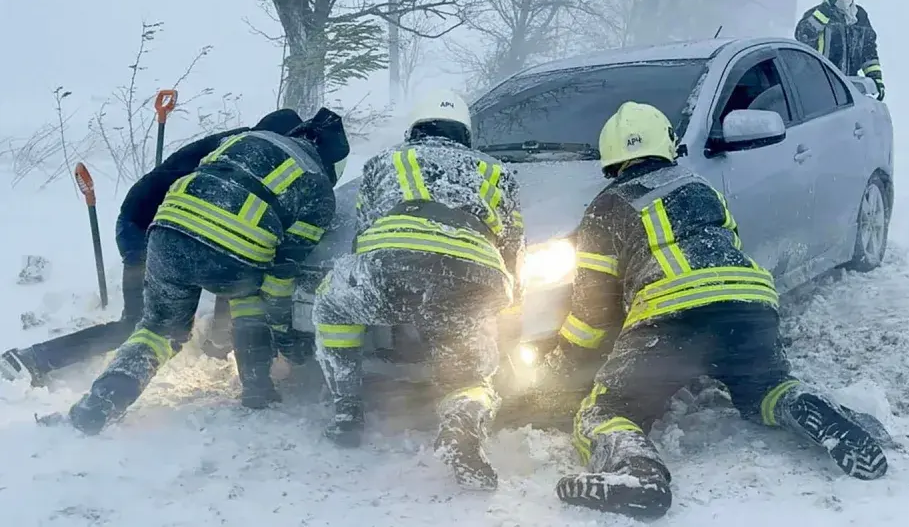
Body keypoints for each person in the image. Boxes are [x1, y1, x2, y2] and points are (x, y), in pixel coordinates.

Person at [540, 102, 889, 520]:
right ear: (665, 144)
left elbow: (592, 313)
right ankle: (807, 407)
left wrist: (562, 362)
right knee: (764, 388)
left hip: (671, 317)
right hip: (751, 304)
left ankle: (639, 476)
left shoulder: (606, 207)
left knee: (608, 411)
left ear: (611, 156)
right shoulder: (701, 188)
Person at [61, 107, 350, 436]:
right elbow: (282, 273)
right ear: (333, 162)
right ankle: (257, 388)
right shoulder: (319, 189)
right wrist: (284, 333)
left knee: (158, 330)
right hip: (231, 255)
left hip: (167, 234)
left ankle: (102, 401)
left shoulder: (246, 139)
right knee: (249, 295)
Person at [312, 89, 525, 490]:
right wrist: (508, 311)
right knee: (471, 373)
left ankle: (347, 409)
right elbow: (513, 250)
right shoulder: (499, 172)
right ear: (465, 133)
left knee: (332, 305)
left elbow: (365, 232)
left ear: (414, 129)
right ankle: (463, 426)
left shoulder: (386, 161)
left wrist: (383, 290)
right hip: (472, 276)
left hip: (393, 265)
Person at [0, 110, 304, 385]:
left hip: (172, 225)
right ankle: (32, 359)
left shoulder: (243, 144)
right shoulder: (250, 154)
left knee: (230, 266)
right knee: (138, 324)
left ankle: (216, 344)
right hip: (148, 228)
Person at [795, 0, 884, 100]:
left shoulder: (860, 17)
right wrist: (826, 9)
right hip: (819, 88)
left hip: (849, 91)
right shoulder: (818, 14)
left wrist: (876, 80)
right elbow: (803, 35)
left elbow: (869, 53)